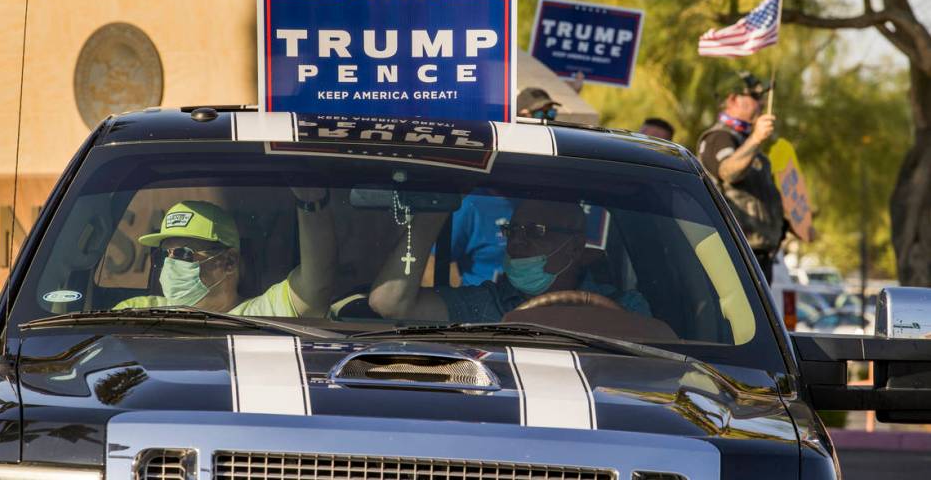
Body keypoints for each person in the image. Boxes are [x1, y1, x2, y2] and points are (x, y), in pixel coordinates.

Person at [368, 199, 651, 322]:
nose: (516, 242)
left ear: (575, 247)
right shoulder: (485, 304)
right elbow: (389, 303)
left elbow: (660, 356)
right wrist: (436, 209)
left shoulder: (623, 307)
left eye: (535, 232)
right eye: (512, 230)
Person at [115, 189, 336, 317]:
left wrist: (310, 200)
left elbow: (317, 284)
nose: (170, 264)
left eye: (183, 254)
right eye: (164, 255)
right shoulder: (137, 311)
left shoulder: (261, 313)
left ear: (229, 262)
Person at [697, 71, 784, 284]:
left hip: (759, 254)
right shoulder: (719, 137)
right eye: (755, 97)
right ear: (733, 99)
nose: (762, 102)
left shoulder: (745, 142)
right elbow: (728, 172)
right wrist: (756, 138)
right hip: (736, 252)